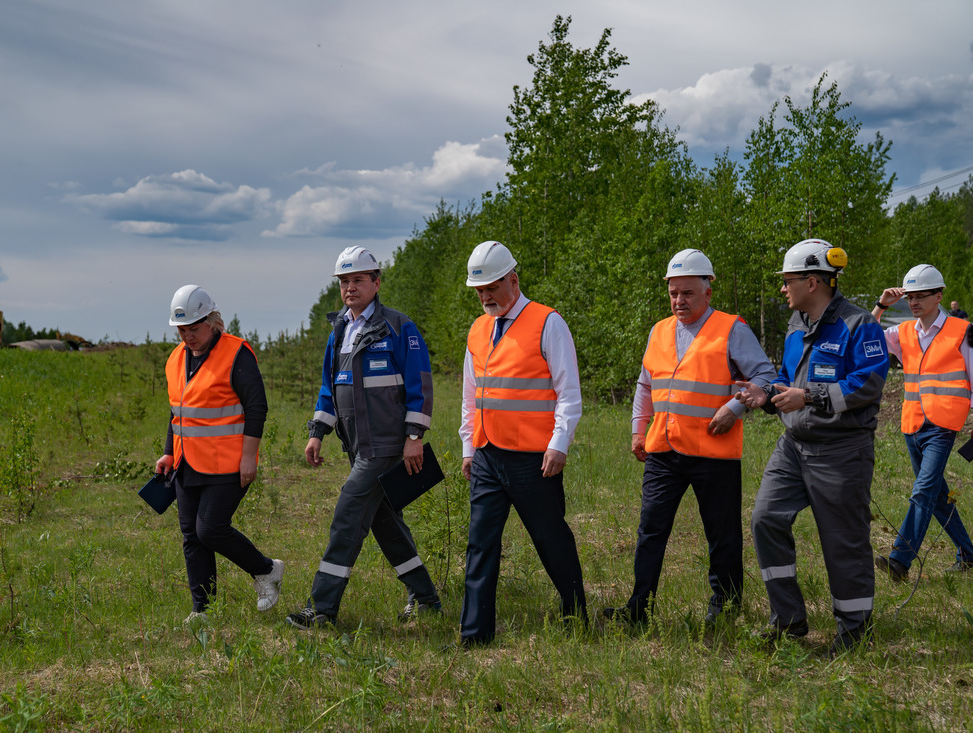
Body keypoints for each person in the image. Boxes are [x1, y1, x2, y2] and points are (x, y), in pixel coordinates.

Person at [603, 249, 775, 628]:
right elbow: (645, 384)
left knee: (722, 533)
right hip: (663, 449)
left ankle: (725, 606)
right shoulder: (659, 331)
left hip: (713, 453)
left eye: (687, 293)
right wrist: (638, 429)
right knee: (650, 530)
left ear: (708, 291)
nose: (679, 301)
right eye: (673, 293)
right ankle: (639, 607)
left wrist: (735, 407)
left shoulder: (732, 329)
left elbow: (765, 378)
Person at [736, 239, 889, 656]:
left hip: (841, 450)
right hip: (794, 446)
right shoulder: (796, 325)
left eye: (787, 282)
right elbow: (786, 377)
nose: (783, 290)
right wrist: (764, 395)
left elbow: (869, 383)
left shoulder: (860, 325)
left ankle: (853, 633)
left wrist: (810, 396)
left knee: (843, 541)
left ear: (812, 281)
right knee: (765, 518)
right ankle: (788, 619)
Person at [288, 247, 440, 628]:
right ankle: (425, 598)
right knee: (385, 523)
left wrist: (414, 436)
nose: (350, 288)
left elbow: (421, 384)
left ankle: (322, 608)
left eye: (357, 280)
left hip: (385, 447)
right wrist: (317, 432)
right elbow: (330, 386)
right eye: (344, 281)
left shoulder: (398, 327)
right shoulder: (339, 330)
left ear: (376, 281)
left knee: (347, 517)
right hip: (357, 447)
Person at [459, 240, 587, 646]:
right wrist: (468, 447)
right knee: (480, 544)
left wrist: (559, 442)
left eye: (492, 288)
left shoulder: (548, 322)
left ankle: (577, 617)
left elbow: (569, 392)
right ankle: (474, 635)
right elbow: (470, 395)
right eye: (479, 291)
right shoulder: (478, 329)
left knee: (550, 539)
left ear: (513, 280)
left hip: (535, 459)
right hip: (486, 454)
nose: (485, 298)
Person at [155, 285, 284, 625]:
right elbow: (177, 412)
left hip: (228, 463)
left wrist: (248, 457)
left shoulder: (237, 354)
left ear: (212, 321)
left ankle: (266, 570)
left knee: (210, 529)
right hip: (186, 463)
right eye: (182, 330)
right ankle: (203, 610)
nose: (188, 336)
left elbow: (257, 408)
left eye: (194, 328)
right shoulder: (175, 359)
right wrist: (169, 453)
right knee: (191, 537)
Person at [871, 265, 973, 580]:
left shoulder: (963, 331)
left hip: (944, 424)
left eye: (921, 295)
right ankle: (968, 555)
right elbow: (865, 341)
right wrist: (882, 306)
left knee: (922, 491)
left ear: (939, 295)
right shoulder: (903, 332)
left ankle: (900, 560)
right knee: (935, 494)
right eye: (910, 297)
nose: (914, 302)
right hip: (912, 422)